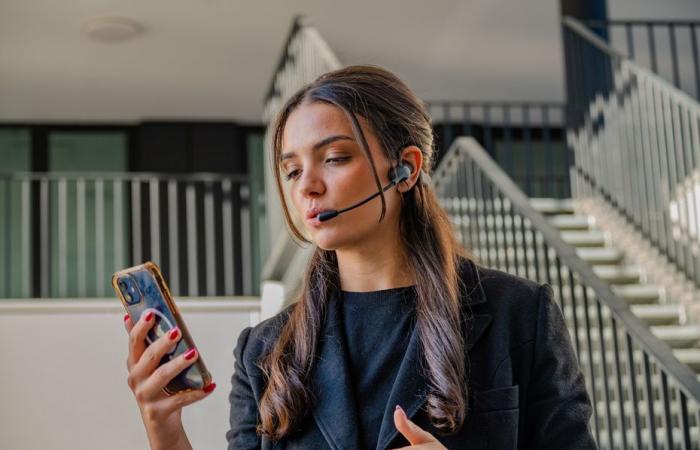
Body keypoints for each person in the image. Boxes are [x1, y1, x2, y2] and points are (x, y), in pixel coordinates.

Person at [123, 65, 596, 450]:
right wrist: (164, 430)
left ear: (406, 168)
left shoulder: (519, 313)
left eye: (334, 158)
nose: (306, 185)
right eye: (291, 169)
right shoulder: (265, 352)